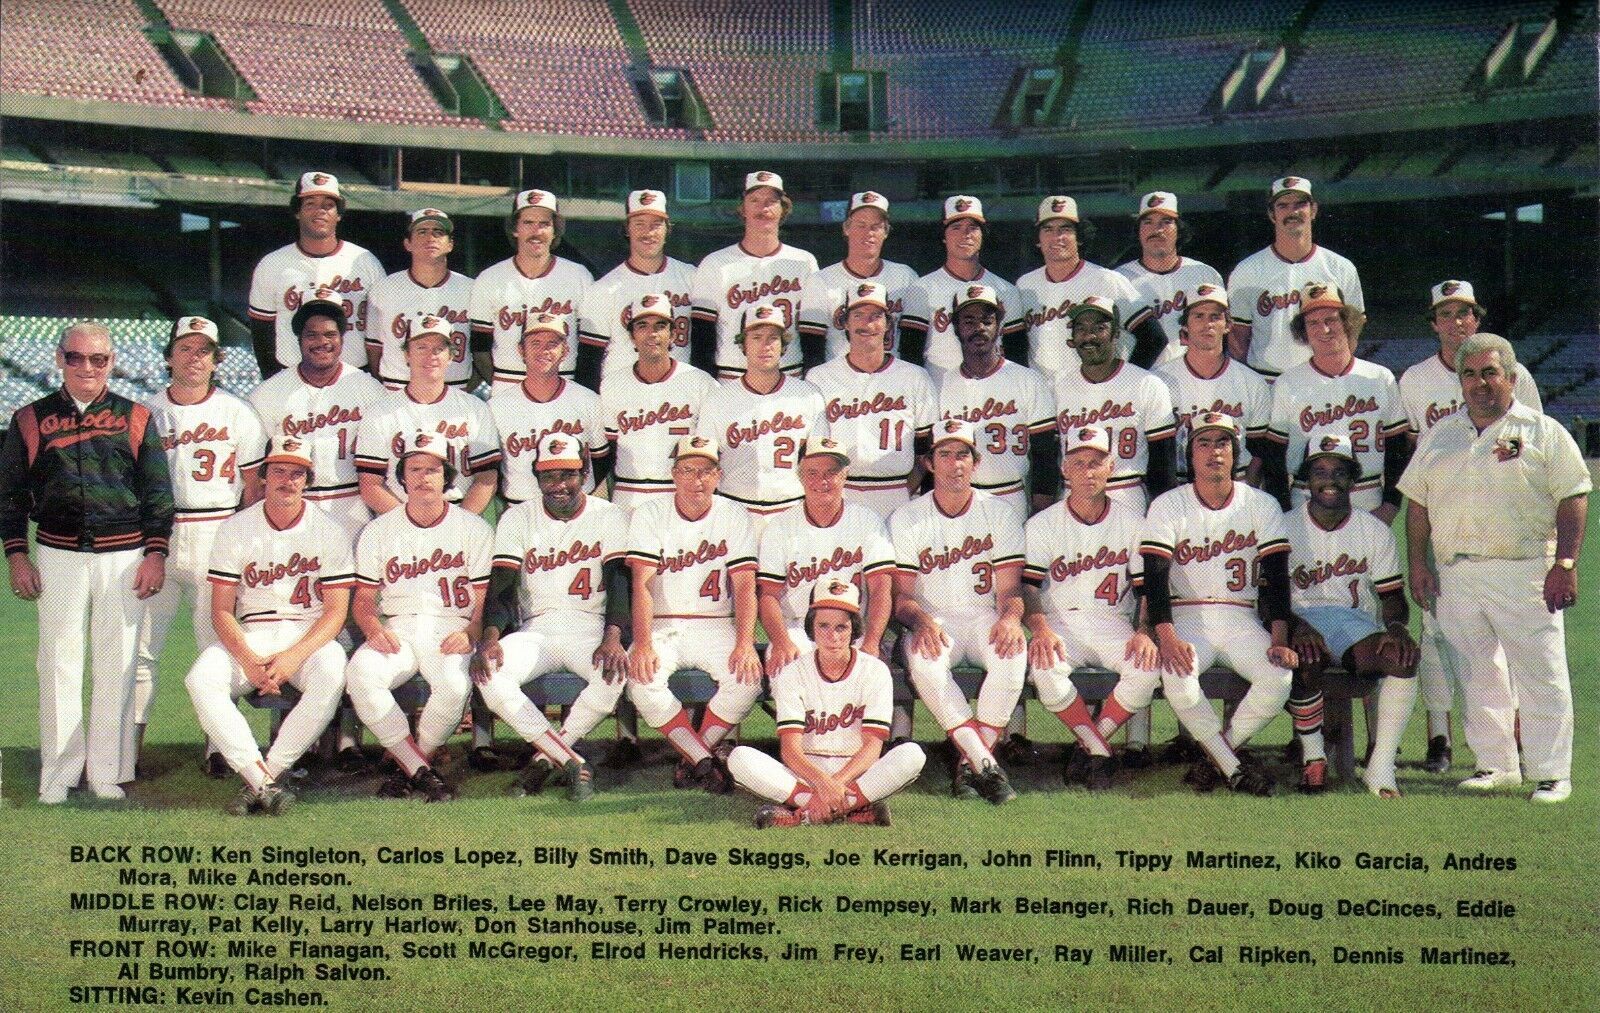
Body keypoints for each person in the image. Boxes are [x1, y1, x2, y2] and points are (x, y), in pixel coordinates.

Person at [1399, 333, 1589, 803]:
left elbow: (1573, 496)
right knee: (1476, 672)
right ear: (1460, 381)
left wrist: (1565, 562)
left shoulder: (1543, 431)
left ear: (1511, 377)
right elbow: (1418, 504)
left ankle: (1551, 773)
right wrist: (1418, 564)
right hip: (1456, 572)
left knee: (1540, 671)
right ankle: (1496, 764)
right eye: (1470, 374)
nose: (1480, 383)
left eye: (1490, 373)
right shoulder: (1439, 434)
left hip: (1523, 568)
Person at [2, 322, 174, 803]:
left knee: (117, 663)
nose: (87, 367)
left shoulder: (136, 416)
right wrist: (17, 554)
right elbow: (9, 496)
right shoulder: (29, 419)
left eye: (98, 359)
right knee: (58, 662)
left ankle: (106, 772)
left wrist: (156, 552)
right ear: (60, 359)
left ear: (112, 362)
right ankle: (58, 774)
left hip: (124, 554)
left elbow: (158, 493)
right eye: (76, 357)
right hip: (57, 552)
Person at [1396, 280, 1541, 772]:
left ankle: (1515, 736)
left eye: (1465, 313)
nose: (1456, 322)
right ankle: (1439, 736)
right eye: (1446, 314)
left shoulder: (1514, 372)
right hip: (1444, 522)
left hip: (1503, 523)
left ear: (1477, 319)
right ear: (1433, 323)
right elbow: (1414, 456)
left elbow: (1530, 442)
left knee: (1508, 638)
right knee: (1436, 631)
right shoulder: (1414, 380)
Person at [184, 436, 354, 815]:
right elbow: (221, 610)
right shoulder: (235, 528)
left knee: (332, 672)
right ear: (263, 476)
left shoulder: (329, 529)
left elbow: (335, 613)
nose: (287, 481)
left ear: (308, 480)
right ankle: (262, 781)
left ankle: (264, 776)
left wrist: (293, 657)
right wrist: (247, 659)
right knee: (200, 679)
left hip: (308, 633)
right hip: (252, 633)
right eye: (278, 471)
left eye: (297, 474)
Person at [132, 316, 267, 781]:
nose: (195, 358)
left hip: (217, 528)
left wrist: (243, 543)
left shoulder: (238, 412)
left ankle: (219, 746)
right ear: (169, 356)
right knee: (141, 648)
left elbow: (253, 488)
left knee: (217, 646)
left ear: (217, 359)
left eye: (204, 350)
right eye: (185, 349)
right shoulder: (145, 412)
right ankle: (127, 750)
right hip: (159, 536)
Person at [1140, 413, 1294, 796]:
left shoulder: (1262, 504)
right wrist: (1167, 636)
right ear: (1189, 454)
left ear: (1235, 453)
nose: (1214, 452)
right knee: (1178, 676)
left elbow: (1277, 577)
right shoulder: (1168, 504)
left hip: (1241, 616)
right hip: (1187, 614)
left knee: (1278, 678)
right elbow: (1155, 578)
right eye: (1203, 443)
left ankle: (1215, 758)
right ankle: (1232, 767)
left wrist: (1279, 638)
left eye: (1222, 443)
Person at [472, 435, 632, 800]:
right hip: (537, 630)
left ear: (585, 473)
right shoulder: (518, 517)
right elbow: (502, 586)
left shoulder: (608, 515)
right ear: (536, 477)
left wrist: (613, 637)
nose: (559, 484)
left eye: (568, 474)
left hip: (589, 627)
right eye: (548, 476)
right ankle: (571, 760)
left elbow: (619, 583)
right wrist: (491, 637)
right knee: (489, 673)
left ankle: (544, 760)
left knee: (614, 673)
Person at [347, 432, 491, 802]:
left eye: (432, 470)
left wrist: (472, 631)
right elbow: (364, 599)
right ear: (402, 478)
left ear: (447, 477)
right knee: (361, 674)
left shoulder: (473, 527)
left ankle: (408, 766)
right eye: (414, 469)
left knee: (454, 687)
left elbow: (483, 598)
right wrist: (372, 627)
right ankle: (420, 769)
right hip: (399, 626)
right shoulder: (379, 529)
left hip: (451, 626)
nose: (423, 477)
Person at [889, 419, 1023, 804]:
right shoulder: (907, 517)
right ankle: (984, 763)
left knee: (1012, 655)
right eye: (944, 455)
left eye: (962, 454)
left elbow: (1011, 590)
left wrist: (1011, 618)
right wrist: (920, 621)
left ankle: (969, 762)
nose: (954, 464)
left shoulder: (999, 512)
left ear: (976, 462)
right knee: (926, 665)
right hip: (933, 619)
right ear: (929, 463)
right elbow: (903, 598)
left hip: (983, 616)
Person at [1023, 426, 1159, 789]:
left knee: (1147, 669)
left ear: (1111, 467)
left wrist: (1144, 630)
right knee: (1045, 671)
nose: (1088, 472)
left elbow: (1147, 589)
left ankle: (1089, 746)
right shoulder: (1042, 524)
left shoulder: (1134, 523)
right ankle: (1099, 750)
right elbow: (1029, 587)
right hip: (1059, 622)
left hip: (1113, 621)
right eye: (1079, 463)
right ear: (1064, 469)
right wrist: (1040, 629)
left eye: (1096, 463)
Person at [727, 580, 926, 827]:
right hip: (806, 774)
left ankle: (804, 814)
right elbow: (790, 751)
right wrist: (823, 783)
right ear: (811, 627)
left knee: (912, 755)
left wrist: (836, 784)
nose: (832, 636)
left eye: (841, 627)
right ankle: (850, 809)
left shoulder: (875, 671)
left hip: (855, 774)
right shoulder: (793, 673)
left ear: (854, 629)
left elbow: (872, 747)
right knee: (739, 758)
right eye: (824, 626)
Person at [626, 436, 761, 792]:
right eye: (688, 470)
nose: (696, 479)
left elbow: (745, 586)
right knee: (641, 682)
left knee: (747, 680)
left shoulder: (734, 514)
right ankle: (703, 759)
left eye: (705, 471)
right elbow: (641, 584)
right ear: (674, 474)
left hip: (715, 623)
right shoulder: (650, 514)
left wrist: (745, 643)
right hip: (663, 625)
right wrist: (642, 643)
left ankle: (692, 757)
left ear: (718, 475)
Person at [1285, 434, 1418, 797]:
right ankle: (1314, 758)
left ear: (1354, 479)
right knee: (1305, 656)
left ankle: (1381, 767)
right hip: (1298, 618)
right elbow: (1269, 599)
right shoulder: (1284, 525)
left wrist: (1397, 627)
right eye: (1320, 472)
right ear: (1306, 479)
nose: (1330, 480)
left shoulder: (1373, 530)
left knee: (1402, 657)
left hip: (1351, 623)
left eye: (1340, 472)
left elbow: (1392, 597)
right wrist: (1295, 625)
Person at [1264, 282, 1408, 521]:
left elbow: (1398, 447)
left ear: (1347, 322)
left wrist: (1391, 504)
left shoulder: (1379, 377)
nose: (1324, 329)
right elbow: (1274, 458)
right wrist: (1286, 511)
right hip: (1307, 501)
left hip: (1369, 499)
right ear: (1303, 331)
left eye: (1331, 320)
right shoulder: (1287, 383)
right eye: (1313, 323)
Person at [249, 297, 388, 541]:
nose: (322, 342)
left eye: (330, 334)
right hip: (292, 503)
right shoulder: (267, 394)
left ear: (342, 339)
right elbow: (256, 471)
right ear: (299, 340)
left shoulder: (370, 389)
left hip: (353, 503)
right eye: (311, 335)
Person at [757, 436, 895, 676]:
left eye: (831, 473)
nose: (822, 481)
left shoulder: (867, 521)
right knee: (785, 670)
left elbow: (881, 588)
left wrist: (873, 642)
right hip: (797, 628)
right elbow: (768, 595)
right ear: (800, 476)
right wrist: (780, 641)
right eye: (812, 473)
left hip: (851, 628)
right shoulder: (780, 526)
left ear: (845, 476)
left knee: (868, 676)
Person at [804, 280, 938, 519]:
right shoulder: (819, 378)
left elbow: (926, 452)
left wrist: (902, 494)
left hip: (896, 491)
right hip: (839, 492)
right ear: (845, 322)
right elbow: (812, 452)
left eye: (876, 316)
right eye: (858, 315)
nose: (867, 324)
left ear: (888, 324)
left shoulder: (915, 377)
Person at [695, 301, 829, 536]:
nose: (765, 346)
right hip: (734, 508)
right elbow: (705, 463)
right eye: (756, 337)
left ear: (784, 346)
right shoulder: (718, 399)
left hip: (793, 509)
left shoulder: (808, 395)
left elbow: (820, 462)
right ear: (743, 345)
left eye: (773, 338)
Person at [356, 312, 500, 515]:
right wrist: (408, 523)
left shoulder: (475, 409)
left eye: (438, 349)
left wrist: (460, 523)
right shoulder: (380, 413)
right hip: (400, 515)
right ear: (407, 354)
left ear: (451, 356)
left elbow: (486, 478)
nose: (430, 355)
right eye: (421, 347)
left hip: (459, 512)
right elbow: (370, 484)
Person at [934, 284, 1057, 518]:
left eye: (987, 321)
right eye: (969, 321)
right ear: (956, 329)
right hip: (959, 496)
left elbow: (1046, 453)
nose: (979, 328)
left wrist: (1041, 510)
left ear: (999, 327)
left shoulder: (1028, 380)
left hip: (1011, 494)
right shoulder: (944, 384)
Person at [1226, 176, 1364, 381]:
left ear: (1313, 210)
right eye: (1283, 206)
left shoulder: (1340, 268)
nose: (1293, 212)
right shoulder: (1247, 270)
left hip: (1323, 379)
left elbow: (1353, 330)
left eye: (1300, 204)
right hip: (1267, 380)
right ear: (1272, 214)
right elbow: (1237, 341)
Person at [248, 172, 385, 376]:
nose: (320, 211)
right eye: (310, 204)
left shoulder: (365, 261)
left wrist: (375, 381)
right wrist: (274, 381)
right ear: (297, 211)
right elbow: (262, 335)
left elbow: (381, 332)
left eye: (328, 205)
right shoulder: (272, 264)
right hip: (292, 376)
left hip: (355, 377)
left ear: (338, 214)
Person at [1051, 295, 1178, 515]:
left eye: (1099, 328)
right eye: (1081, 328)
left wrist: (1162, 514)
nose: (1089, 336)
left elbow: (1163, 465)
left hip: (1127, 492)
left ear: (1116, 334)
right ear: (1072, 338)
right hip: (1073, 494)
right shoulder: (1056, 386)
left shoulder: (1147, 384)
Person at [1017, 194, 1162, 381]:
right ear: (1038, 239)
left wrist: (1124, 380)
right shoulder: (1025, 284)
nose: (1057, 237)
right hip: (1044, 391)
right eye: (1048, 229)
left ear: (1079, 237)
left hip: (1094, 390)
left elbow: (1153, 338)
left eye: (1065, 229)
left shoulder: (1106, 279)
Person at [689, 171, 818, 380]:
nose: (763, 208)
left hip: (790, 376)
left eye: (771, 201)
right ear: (743, 209)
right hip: (732, 377)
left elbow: (813, 334)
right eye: (754, 200)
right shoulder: (715, 263)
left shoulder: (804, 262)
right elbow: (702, 337)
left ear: (783, 208)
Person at [600, 293, 718, 513]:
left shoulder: (701, 383)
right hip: (628, 491)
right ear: (632, 336)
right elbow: (609, 449)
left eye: (660, 326)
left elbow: (715, 450)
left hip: (682, 493)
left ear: (673, 334)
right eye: (642, 326)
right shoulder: (612, 385)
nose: (652, 333)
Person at [470, 189, 593, 390]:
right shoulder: (490, 278)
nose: (536, 231)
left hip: (564, 385)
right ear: (515, 229)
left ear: (555, 231)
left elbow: (590, 347)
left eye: (544, 224)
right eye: (528, 223)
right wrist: (503, 389)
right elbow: (479, 348)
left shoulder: (579, 276)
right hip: (509, 383)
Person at [1154, 284, 1273, 484]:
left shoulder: (1252, 382)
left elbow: (1259, 453)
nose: (1207, 324)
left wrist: (1247, 493)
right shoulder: (1159, 381)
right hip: (1179, 484)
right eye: (1198, 316)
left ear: (1228, 325)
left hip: (1237, 482)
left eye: (1215, 317)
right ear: (1185, 325)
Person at [898, 196, 1027, 380]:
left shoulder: (1006, 290)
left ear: (982, 234)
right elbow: (910, 355)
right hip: (940, 389)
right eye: (956, 227)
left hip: (994, 390)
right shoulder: (922, 288)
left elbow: (1017, 357)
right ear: (944, 236)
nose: (965, 234)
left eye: (973, 227)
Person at [577, 190, 696, 387]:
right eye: (639, 224)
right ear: (627, 229)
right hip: (624, 393)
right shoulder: (603, 290)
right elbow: (589, 364)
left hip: (679, 392)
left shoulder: (692, 277)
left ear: (667, 229)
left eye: (656, 224)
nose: (648, 233)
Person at [488, 312, 609, 506]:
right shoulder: (497, 407)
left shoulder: (588, 400)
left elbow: (601, 459)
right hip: (521, 507)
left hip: (575, 508)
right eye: (535, 343)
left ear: (565, 351)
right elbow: (492, 470)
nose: (544, 350)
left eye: (552, 344)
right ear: (521, 350)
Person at [796, 191, 919, 366]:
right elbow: (812, 350)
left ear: (886, 232)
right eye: (861, 225)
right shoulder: (821, 280)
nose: (868, 233)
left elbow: (913, 346)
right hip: (840, 377)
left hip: (892, 376)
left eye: (876, 226)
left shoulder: (905, 276)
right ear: (846, 228)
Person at [365, 208, 475, 391]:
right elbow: (373, 349)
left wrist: (468, 389)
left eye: (438, 232)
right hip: (397, 388)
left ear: (450, 244)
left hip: (455, 390)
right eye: (422, 232)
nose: (430, 237)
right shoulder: (385, 288)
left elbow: (482, 350)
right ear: (407, 243)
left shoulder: (471, 289)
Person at [1115, 191, 1225, 365]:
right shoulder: (1119, 279)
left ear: (1178, 229)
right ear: (1139, 231)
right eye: (1148, 222)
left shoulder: (1205, 274)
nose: (1157, 230)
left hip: (1192, 374)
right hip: (1140, 375)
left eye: (1166, 222)